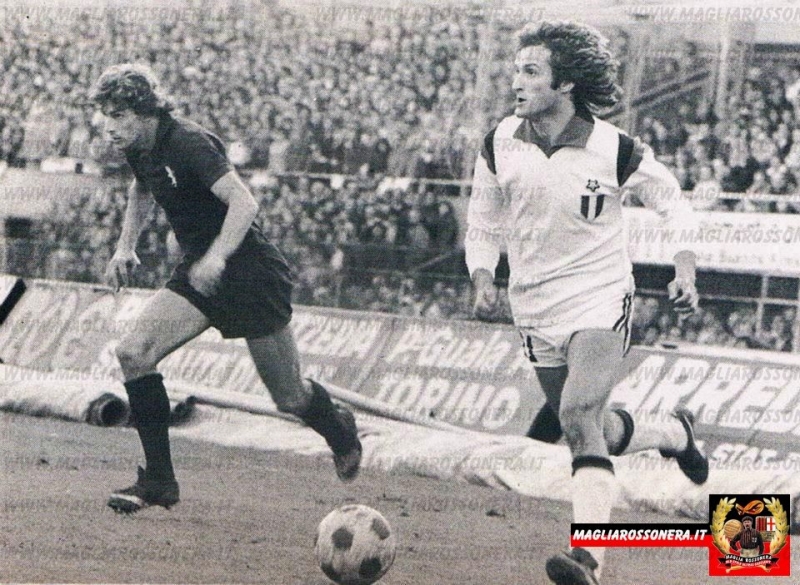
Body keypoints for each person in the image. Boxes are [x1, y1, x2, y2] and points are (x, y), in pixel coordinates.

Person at [465, 22, 708, 585]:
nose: (516, 81)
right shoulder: (498, 143)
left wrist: (685, 268)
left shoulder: (614, 148)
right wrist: (482, 277)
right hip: (533, 307)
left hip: (599, 296)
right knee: (588, 427)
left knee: (576, 414)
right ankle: (674, 435)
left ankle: (590, 560)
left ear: (565, 84)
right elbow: (482, 223)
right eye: (517, 70)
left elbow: (672, 201)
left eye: (531, 72)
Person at [92, 64, 362, 514]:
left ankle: (337, 428)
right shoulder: (139, 146)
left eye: (118, 116)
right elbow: (142, 189)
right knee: (134, 353)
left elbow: (244, 201)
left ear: (145, 112)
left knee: (289, 397)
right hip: (199, 272)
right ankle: (159, 481)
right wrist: (125, 247)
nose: (109, 127)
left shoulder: (188, 142)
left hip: (250, 273)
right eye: (106, 116)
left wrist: (218, 256)